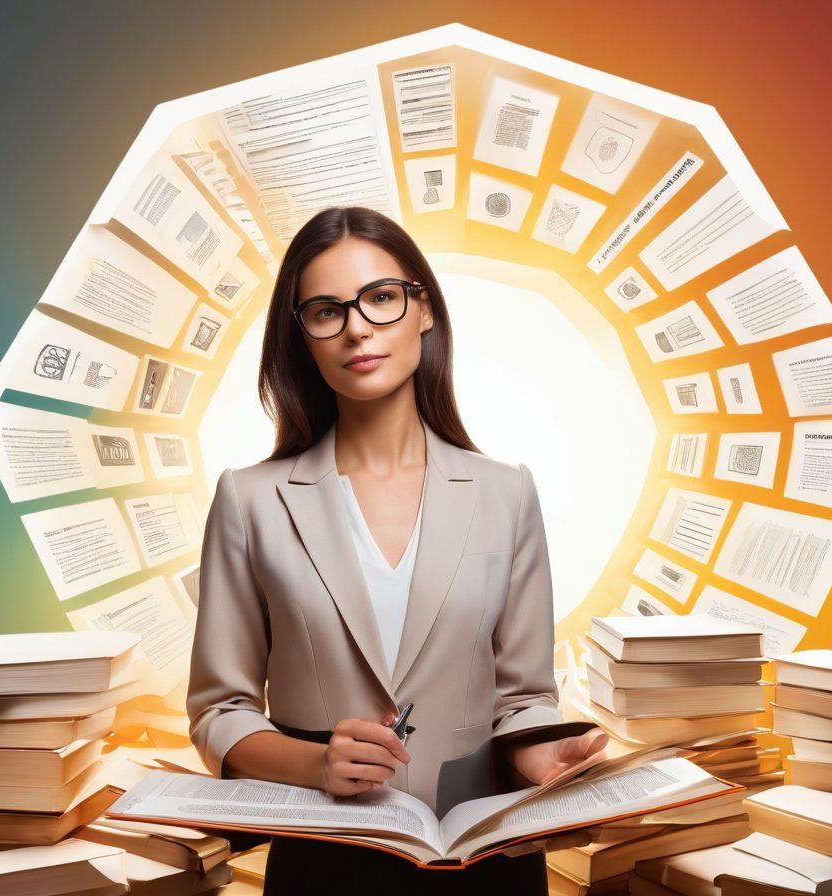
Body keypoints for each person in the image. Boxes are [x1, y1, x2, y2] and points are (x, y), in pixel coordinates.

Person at [187, 206, 608, 894]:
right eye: (327, 311)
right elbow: (219, 711)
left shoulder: (507, 491)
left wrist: (542, 757)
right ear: (303, 338)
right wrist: (316, 764)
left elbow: (524, 696)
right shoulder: (249, 499)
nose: (357, 327)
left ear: (424, 309)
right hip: (326, 865)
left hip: (485, 865)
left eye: (380, 297)